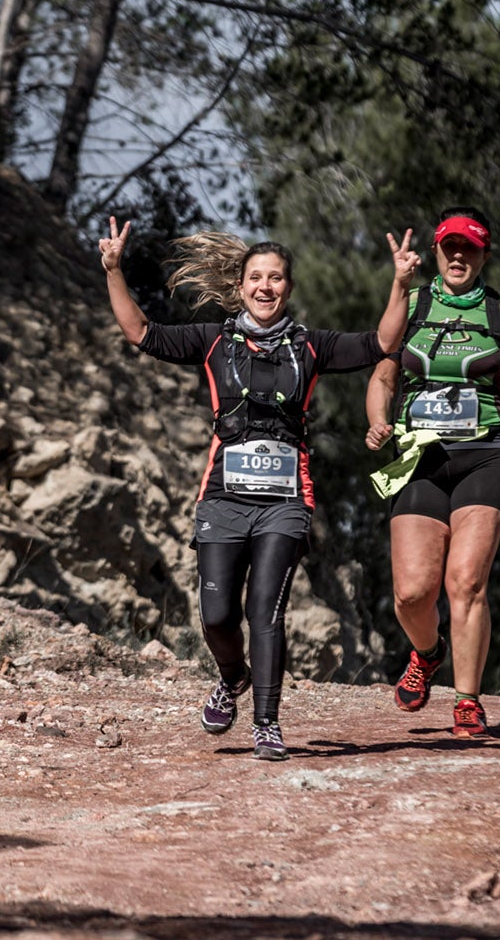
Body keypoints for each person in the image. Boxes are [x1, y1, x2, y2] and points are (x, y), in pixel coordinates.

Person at [101, 219, 418, 760]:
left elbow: (384, 341)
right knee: (218, 616)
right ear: (241, 286)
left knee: (265, 611)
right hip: (222, 496)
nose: (265, 287)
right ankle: (232, 677)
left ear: (288, 289)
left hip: (285, 502)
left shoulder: (311, 347)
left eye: (275, 278)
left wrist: (400, 284)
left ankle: (266, 725)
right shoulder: (214, 341)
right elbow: (141, 334)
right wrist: (113, 270)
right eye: (255, 277)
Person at [364, 207, 500, 737]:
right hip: (419, 456)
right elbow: (383, 378)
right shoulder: (411, 305)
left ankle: (467, 698)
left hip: (488, 451)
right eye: (450, 246)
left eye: (471, 248)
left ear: (484, 256)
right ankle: (428, 653)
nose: (459, 256)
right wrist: (377, 422)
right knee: (412, 593)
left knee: (466, 582)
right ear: (436, 250)